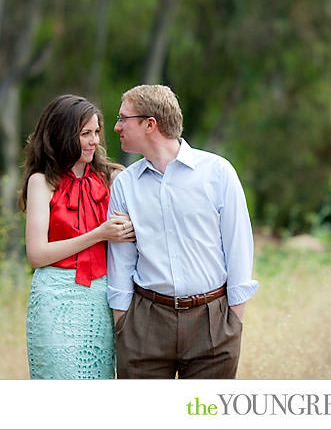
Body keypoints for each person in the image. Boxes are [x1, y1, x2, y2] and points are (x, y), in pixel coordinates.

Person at [106, 84, 259, 379]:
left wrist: (232, 322)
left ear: (150, 124)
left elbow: (239, 247)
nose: (116, 127)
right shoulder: (125, 184)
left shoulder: (218, 172)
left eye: (123, 118)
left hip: (212, 321)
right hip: (144, 324)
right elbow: (121, 261)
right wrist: (123, 323)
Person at [20, 94, 136, 379]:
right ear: (62, 134)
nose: (94, 141)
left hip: (101, 297)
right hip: (55, 297)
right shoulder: (42, 182)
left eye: (96, 132)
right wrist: (99, 234)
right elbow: (37, 254)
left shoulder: (111, 178)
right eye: (85, 134)